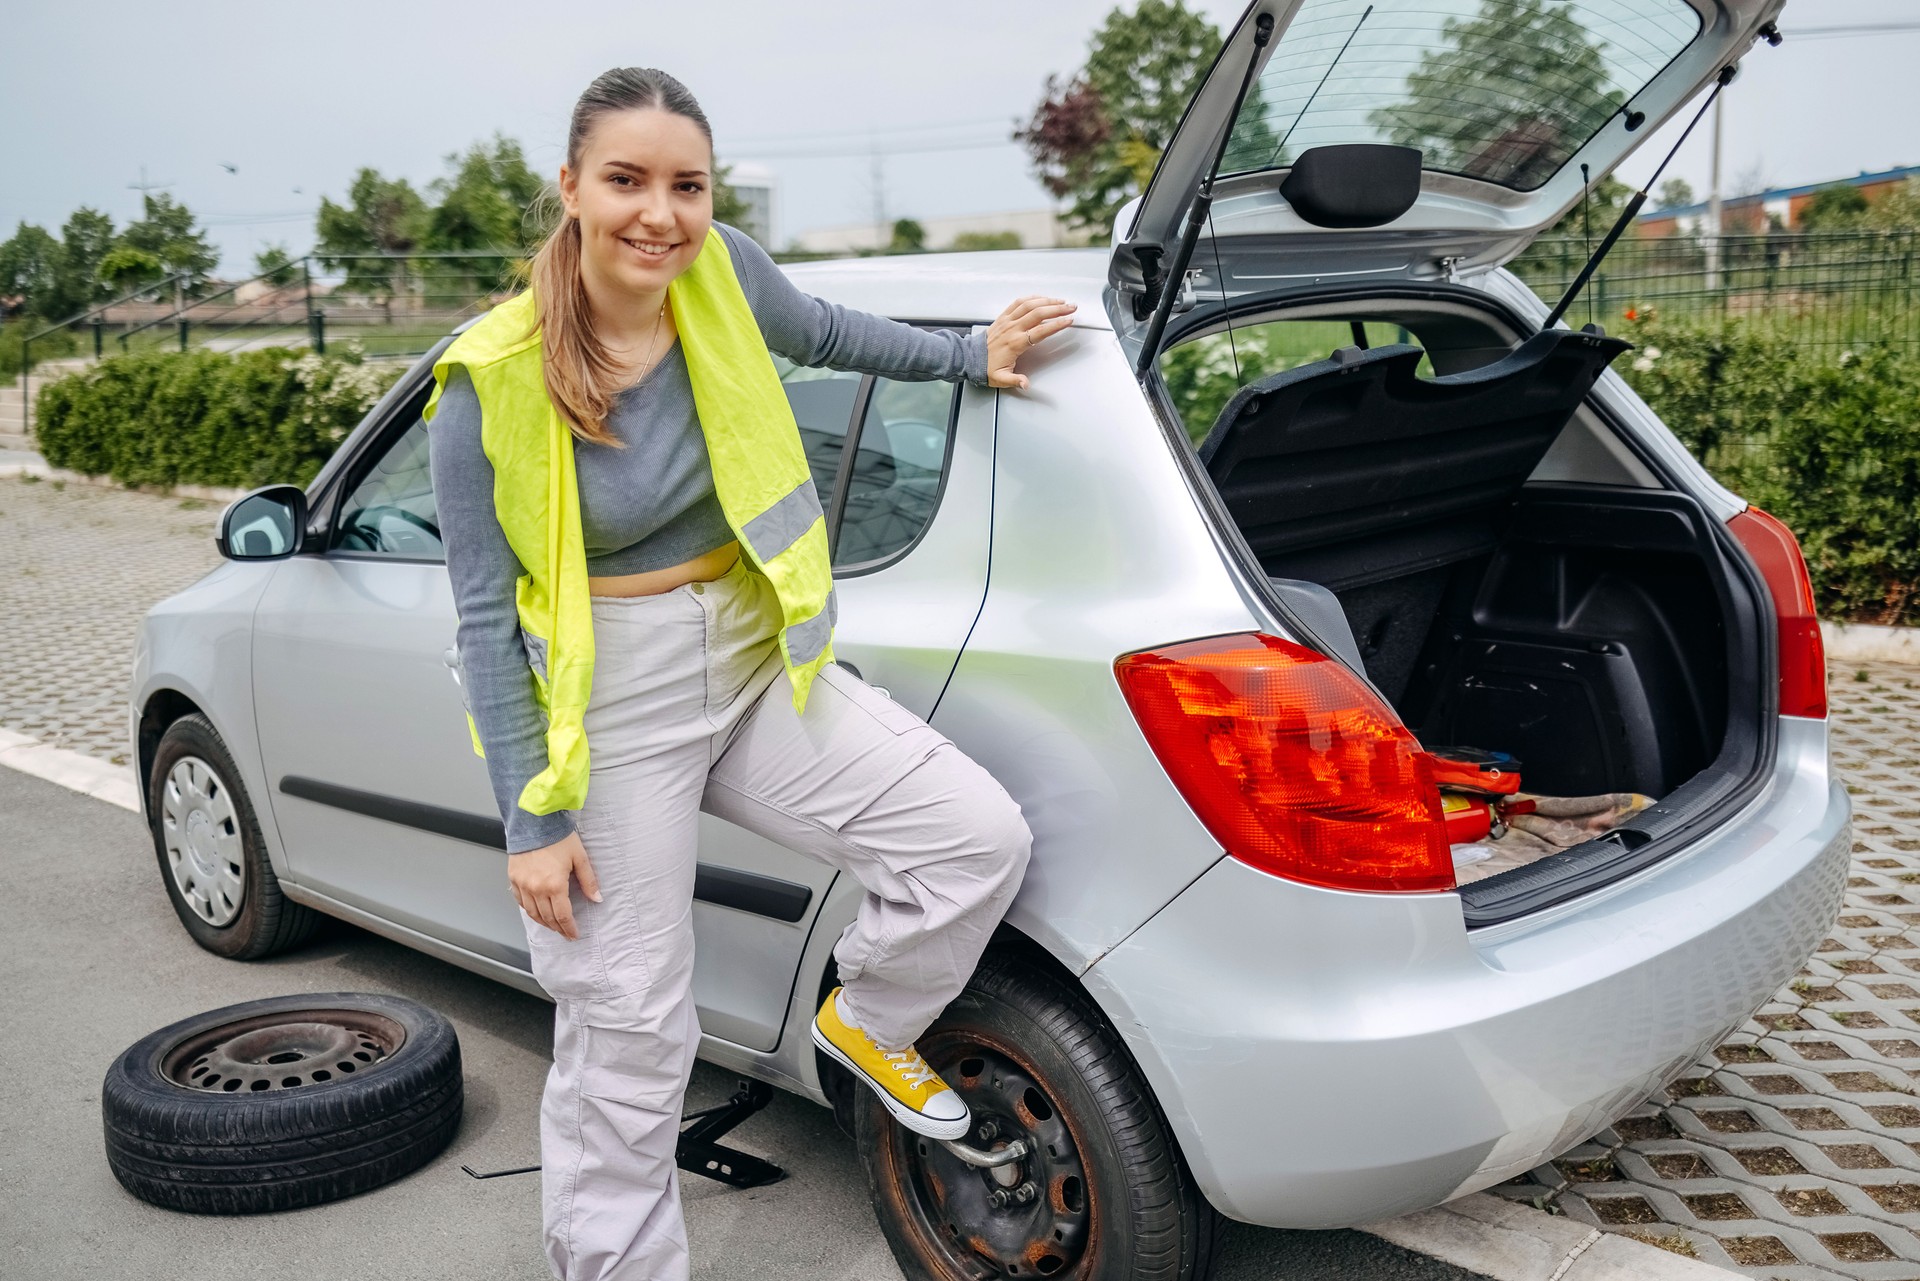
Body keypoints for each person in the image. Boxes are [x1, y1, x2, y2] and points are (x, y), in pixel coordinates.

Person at [423, 66, 1074, 1281]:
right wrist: (534, 820)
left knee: (970, 838)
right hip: (614, 705)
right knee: (630, 1033)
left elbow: (830, 333)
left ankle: (869, 1026)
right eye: (625, 181)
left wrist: (968, 352)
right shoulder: (491, 376)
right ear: (570, 188)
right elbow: (478, 615)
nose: (659, 214)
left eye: (686, 185)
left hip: (752, 654)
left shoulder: (721, 269)